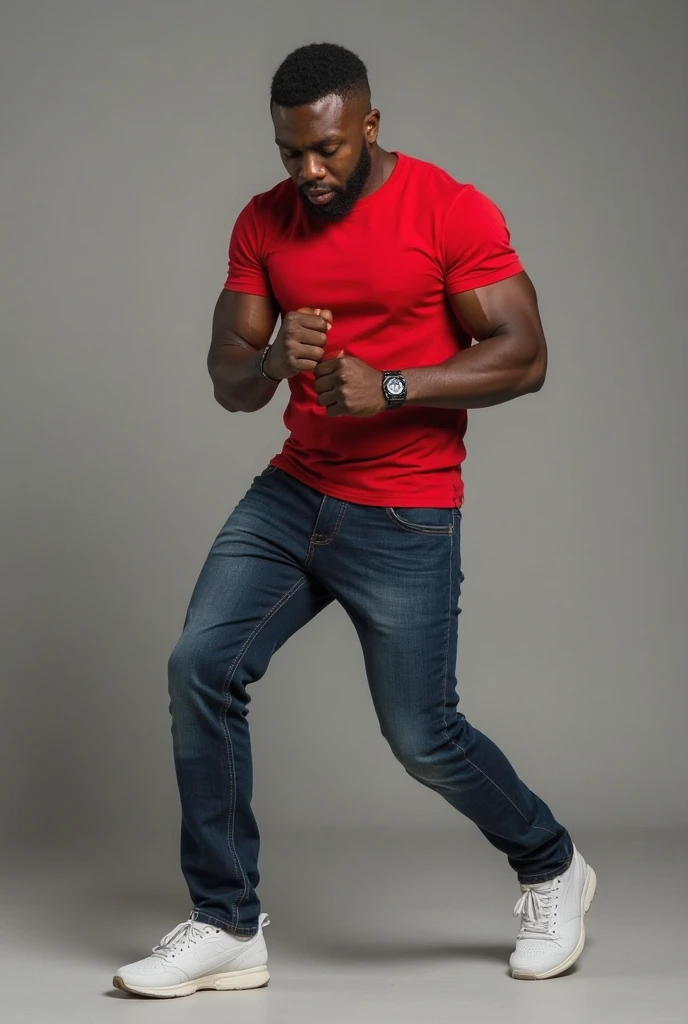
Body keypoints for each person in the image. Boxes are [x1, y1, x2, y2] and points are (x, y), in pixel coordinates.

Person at [113, 41, 596, 999]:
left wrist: (398, 385)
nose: (310, 172)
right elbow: (227, 382)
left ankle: (553, 866)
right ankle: (226, 922)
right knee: (199, 665)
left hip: (406, 508)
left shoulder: (447, 209)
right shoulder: (264, 222)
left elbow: (526, 355)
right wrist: (269, 363)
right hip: (295, 494)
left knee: (423, 737)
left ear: (369, 125)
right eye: (292, 153)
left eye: (327, 149)